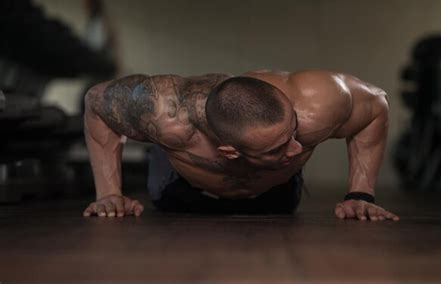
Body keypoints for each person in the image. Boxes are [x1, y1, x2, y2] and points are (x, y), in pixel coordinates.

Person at [82, 69, 400, 221]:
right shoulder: (168, 115)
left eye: (293, 134)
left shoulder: (318, 104)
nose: (295, 151)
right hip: (181, 192)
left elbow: (376, 107)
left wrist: (360, 194)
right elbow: (96, 103)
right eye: (277, 150)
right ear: (229, 152)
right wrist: (109, 194)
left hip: (276, 199)